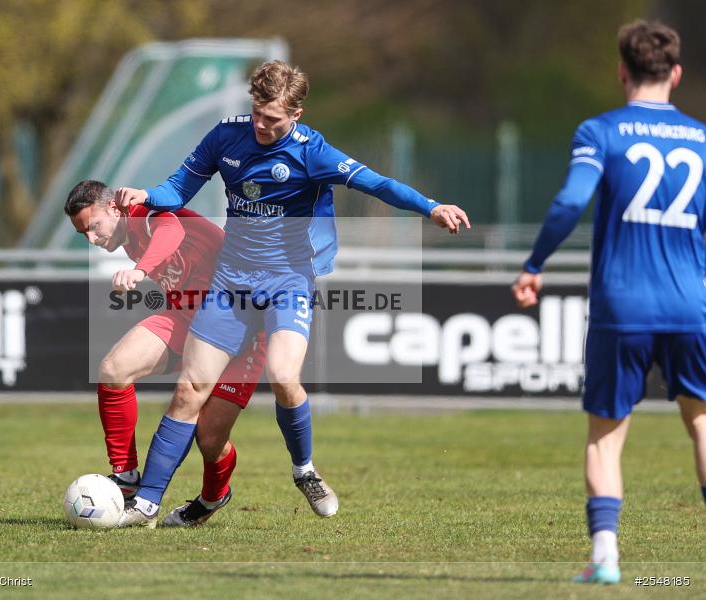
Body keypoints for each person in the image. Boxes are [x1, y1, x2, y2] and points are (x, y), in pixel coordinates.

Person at [112, 60, 471, 527]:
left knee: (284, 377)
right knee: (190, 391)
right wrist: (146, 194)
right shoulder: (227, 136)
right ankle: (146, 504)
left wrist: (430, 207)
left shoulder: (312, 152)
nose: (261, 125)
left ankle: (304, 470)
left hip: (288, 283)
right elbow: (180, 186)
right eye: (257, 113)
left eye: (273, 119)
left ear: (296, 114)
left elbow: (377, 183)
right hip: (231, 282)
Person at [511, 20, 706, 585]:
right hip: (690, 306)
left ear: (622, 71)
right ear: (676, 74)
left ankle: (605, 558)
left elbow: (570, 202)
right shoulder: (701, 140)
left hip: (622, 307)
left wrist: (534, 264)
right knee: (701, 423)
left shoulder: (601, 131)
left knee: (605, 434)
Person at [65, 179, 267, 527]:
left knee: (210, 438)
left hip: (242, 324)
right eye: (84, 234)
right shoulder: (127, 238)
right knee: (114, 369)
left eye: (93, 227)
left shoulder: (144, 213)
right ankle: (128, 478)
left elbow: (170, 232)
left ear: (114, 208)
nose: (92, 240)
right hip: (188, 316)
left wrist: (140, 270)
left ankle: (213, 495)